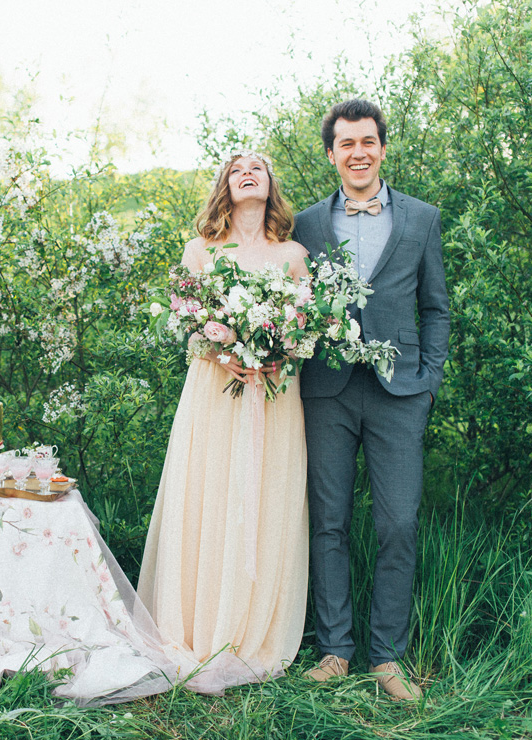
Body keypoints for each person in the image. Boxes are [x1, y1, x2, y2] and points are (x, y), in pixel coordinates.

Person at [293, 99, 450, 700]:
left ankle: (387, 658)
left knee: (399, 524)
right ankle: (335, 649)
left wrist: (428, 379)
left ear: (383, 148)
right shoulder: (306, 225)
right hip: (326, 390)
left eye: (368, 142)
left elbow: (435, 307)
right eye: (346, 144)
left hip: (399, 393)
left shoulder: (421, 218)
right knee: (328, 522)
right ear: (331, 154)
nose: (358, 152)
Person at [137, 152, 310, 692]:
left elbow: (306, 328)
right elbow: (185, 323)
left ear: (271, 184)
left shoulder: (294, 254)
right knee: (208, 495)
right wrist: (222, 352)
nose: (249, 172)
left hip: (274, 397)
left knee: (265, 498)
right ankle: (195, 625)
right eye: (238, 169)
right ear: (226, 187)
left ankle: (250, 628)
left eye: (259, 166)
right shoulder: (200, 251)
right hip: (214, 393)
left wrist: (278, 351)